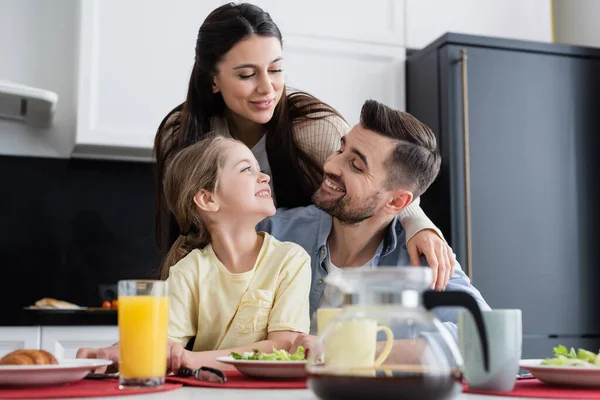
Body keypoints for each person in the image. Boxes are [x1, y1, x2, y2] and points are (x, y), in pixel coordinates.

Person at [153, 2, 454, 285]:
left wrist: (419, 224)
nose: (267, 88)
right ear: (213, 80)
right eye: (247, 74)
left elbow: (383, 181)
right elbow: (189, 230)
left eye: (275, 69)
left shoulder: (315, 128)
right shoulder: (180, 134)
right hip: (218, 281)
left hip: (299, 281)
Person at [253, 100, 491, 351]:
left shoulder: (424, 263)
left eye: (356, 165)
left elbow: (485, 334)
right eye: (340, 149)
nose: (330, 165)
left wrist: (348, 350)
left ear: (397, 201)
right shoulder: (275, 232)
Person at [77, 136, 311, 371]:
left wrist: (193, 360)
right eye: (246, 169)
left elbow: (283, 347)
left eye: (259, 169)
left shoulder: (290, 259)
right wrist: (109, 355)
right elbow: (158, 340)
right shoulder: (189, 271)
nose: (264, 177)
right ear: (208, 199)